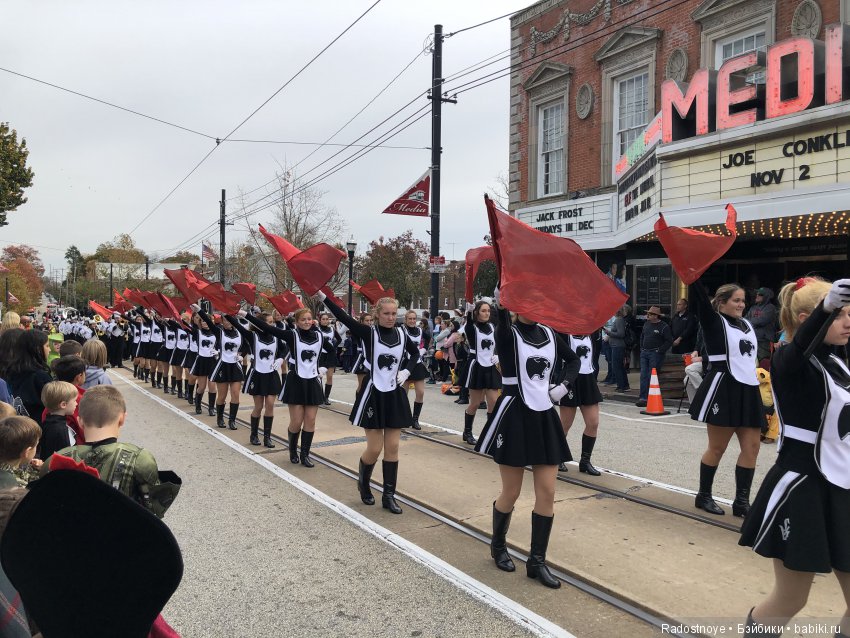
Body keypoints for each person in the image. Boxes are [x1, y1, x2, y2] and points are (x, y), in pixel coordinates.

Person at [739, 277, 850, 636]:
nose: (848, 321)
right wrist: (826, 308)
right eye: (840, 315)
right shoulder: (788, 359)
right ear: (808, 318)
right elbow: (799, 348)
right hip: (802, 488)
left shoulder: (838, 360)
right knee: (791, 599)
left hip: (842, 486)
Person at [475, 294, 580, 588]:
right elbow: (501, 316)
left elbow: (573, 361)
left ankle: (537, 562)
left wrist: (562, 387)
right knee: (512, 491)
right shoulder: (507, 334)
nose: (532, 309)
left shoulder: (549, 332)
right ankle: (498, 545)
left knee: (547, 491)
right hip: (515, 414)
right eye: (526, 303)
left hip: (545, 415)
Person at [320, 291, 420, 514]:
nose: (391, 317)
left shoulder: (403, 334)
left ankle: (389, 495)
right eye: (386, 313)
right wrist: (322, 296)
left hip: (394, 394)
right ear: (377, 314)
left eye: (394, 313)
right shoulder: (368, 333)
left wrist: (406, 371)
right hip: (373, 393)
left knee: (393, 447)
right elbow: (344, 317)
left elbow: (416, 355)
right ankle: (363, 483)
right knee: (375, 449)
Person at [40, 385, 182, 519]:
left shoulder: (56, 459)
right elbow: (153, 510)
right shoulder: (139, 458)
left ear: (80, 421)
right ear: (122, 419)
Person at [688, 281, 762, 516]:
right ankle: (704, 496)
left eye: (742, 300)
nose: (741, 304)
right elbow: (699, 301)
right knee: (717, 447)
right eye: (736, 300)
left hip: (749, 389)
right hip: (724, 387)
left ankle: (741, 502)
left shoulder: (747, 325)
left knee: (752, 448)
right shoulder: (713, 322)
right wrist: (693, 275)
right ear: (721, 303)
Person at [244, 306, 333, 461]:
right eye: (303, 319)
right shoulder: (292, 335)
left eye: (309, 319)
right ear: (297, 322)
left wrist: (324, 367)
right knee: (297, 421)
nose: (306, 322)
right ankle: (293, 450)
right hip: (296, 382)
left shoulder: (319, 336)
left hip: (313, 382)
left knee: (310, 419)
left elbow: (332, 351)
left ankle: (305, 454)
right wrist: (245, 314)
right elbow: (267, 328)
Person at [231, 309, 284, 448]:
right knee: (259, 406)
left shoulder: (276, 337)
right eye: (270, 322)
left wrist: (280, 359)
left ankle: (267, 437)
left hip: (271, 374)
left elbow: (284, 349)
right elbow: (237, 326)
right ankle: (254, 434)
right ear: (261, 324)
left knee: (271, 405)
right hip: (258, 375)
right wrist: (227, 313)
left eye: (273, 322)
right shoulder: (252, 336)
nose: (272, 325)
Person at [557, 332, 603, 475]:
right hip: (571, 378)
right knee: (565, 423)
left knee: (593, 422)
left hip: (588, 379)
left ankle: (585, 461)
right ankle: (558, 456)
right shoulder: (565, 335)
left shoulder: (592, 335)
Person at [196, 308, 243, 430]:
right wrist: (200, 311)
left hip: (235, 367)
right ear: (221, 321)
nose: (227, 322)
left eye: (229, 320)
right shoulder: (219, 332)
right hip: (222, 365)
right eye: (225, 320)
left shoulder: (239, 333)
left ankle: (232, 420)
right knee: (222, 395)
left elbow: (247, 345)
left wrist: (242, 355)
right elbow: (208, 321)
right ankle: (220, 417)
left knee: (236, 394)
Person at [462, 301, 501, 445]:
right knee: (475, 403)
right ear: (477, 312)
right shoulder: (472, 327)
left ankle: (490, 434)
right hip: (477, 366)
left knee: (494, 402)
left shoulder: (493, 326)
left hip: (491, 366)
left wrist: (498, 354)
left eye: (488, 311)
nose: (486, 313)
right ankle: (467, 431)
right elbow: (468, 325)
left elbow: (500, 342)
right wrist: (469, 313)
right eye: (483, 311)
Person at [3, 330, 52, 419]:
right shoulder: (39, 376)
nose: (49, 349)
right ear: (37, 349)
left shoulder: (11, 371)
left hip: (20, 424)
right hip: (38, 426)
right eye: (47, 346)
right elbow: (53, 405)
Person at [635, 306, 673, 408]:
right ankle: (643, 397)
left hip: (655, 353)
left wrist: (660, 350)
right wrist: (642, 347)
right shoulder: (646, 324)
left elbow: (669, 341)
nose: (648, 315)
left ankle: (649, 397)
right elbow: (642, 336)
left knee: (651, 375)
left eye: (651, 314)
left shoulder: (664, 326)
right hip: (645, 352)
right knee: (643, 375)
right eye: (649, 314)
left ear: (656, 316)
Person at [39, 380, 79, 460]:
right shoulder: (61, 430)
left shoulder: (46, 423)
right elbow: (65, 457)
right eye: (74, 401)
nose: (76, 404)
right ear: (63, 404)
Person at [403, 310, 428, 430]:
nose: (412, 321)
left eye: (414, 319)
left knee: (420, 392)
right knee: (403, 394)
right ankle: (404, 418)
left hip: (417, 363)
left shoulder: (420, 330)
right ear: (406, 320)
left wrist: (424, 349)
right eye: (410, 319)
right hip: (405, 363)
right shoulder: (401, 330)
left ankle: (415, 419)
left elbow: (428, 338)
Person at [0, 414, 41, 488]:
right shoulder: (19, 487)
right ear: (27, 452)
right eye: (36, 445)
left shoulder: (11, 465)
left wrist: (37, 470)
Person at [603, 305, 630, 392]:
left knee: (617, 366)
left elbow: (621, 334)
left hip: (617, 346)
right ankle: (624, 385)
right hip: (616, 345)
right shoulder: (620, 320)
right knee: (620, 366)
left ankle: (621, 385)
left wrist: (609, 333)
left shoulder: (619, 320)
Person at [746, 287, 778, 362]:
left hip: (765, 342)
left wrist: (749, 322)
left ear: (766, 296)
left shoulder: (771, 308)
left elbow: (760, 321)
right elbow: (744, 320)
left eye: (760, 294)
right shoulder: (753, 308)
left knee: (764, 362)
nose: (757, 295)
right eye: (757, 293)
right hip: (752, 340)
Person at [318, 313, 341, 406]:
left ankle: (326, 397)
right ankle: (319, 397)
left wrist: (333, 347)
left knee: (330, 377)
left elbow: (339, 339)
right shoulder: (317, 330)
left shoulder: (332, 329)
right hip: (320, 355)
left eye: (327, 319)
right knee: (319, 377)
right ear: (320, 320)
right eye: (323, 319)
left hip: (330, 355)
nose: (325, 321)